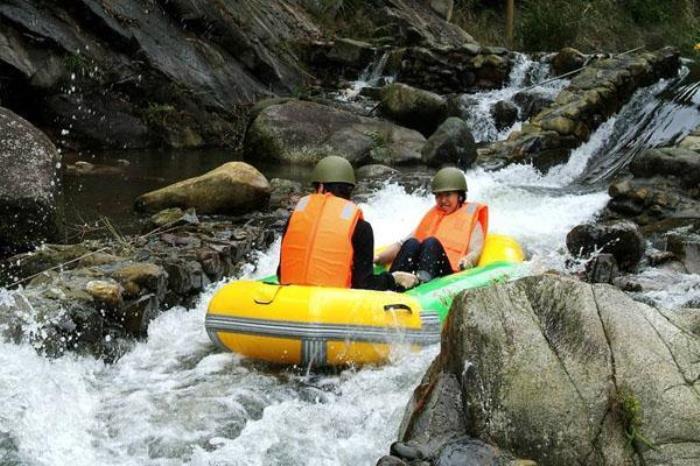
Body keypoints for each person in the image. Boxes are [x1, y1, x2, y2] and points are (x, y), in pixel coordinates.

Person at [278, 156, 416, 291]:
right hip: (335, 305)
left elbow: (281, 272)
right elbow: (364, 285)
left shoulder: (294, 218)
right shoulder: (361, 227)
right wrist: (393, 279)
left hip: (288, 298)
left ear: (320, 187)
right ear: (350, 189)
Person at [374, 167, 488, 290]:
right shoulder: (433, 216)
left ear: (460, 195)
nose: (443, 200)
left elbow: (476, 250)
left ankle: (422, 282)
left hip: (447, 275)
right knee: (411, 243)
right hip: (419, 270)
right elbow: (401, 244)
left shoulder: (471, 220)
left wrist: (467, 261)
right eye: (439, 196)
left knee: (431, 242)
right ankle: (392, 282)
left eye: (448, 195)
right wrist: (378, 258)